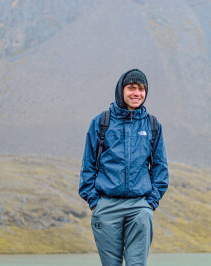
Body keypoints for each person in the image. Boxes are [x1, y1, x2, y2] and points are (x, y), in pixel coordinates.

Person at [79, 69, 169, 266]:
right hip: (106, 206)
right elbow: (88, 166)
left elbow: (160, 167)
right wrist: (95, 202)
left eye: (141, 89)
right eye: (131, 88)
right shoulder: (101, 123)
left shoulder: (152, 125)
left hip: (139, 207)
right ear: (121, 90)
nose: (137, 93)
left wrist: (150, 203)